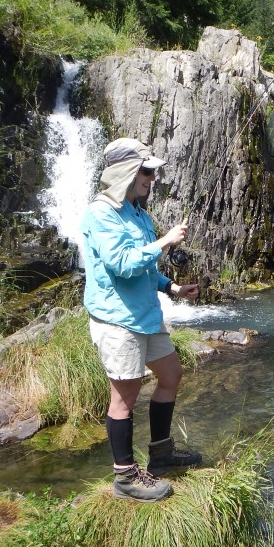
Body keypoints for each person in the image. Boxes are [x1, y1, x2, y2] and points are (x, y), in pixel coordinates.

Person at [81, 137, 202, 502]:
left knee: (171, 374)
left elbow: (145, 269)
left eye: (152, 171)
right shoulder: (100, 213)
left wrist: (173, 287)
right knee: (126, 396)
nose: (152, 178)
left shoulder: (137, 212)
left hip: (146, 315)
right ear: (126, 172)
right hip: (118, 319)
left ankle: (161, 456)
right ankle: (125, 478)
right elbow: (122, 264)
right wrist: (164, 241)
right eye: (146, 171)